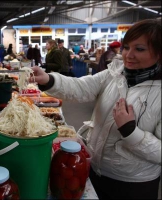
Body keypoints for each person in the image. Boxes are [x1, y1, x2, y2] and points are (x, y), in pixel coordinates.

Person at [30, 19, 161, 199]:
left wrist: (131, 132)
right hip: (94, 169)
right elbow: (81, 87)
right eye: (126, 47)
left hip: (133, 185)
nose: (128, 55)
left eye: (139, 49)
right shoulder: (114, 74)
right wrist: (49, 80)